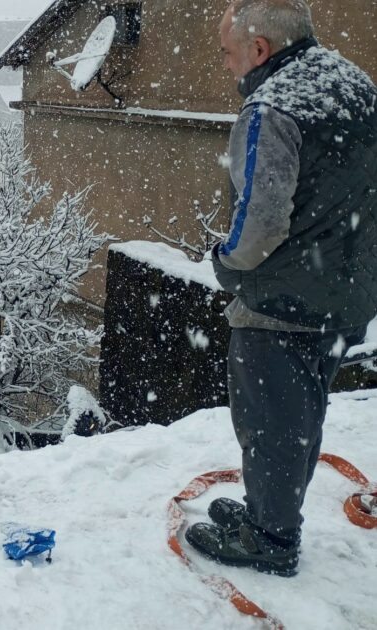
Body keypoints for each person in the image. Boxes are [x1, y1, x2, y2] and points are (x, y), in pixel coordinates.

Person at [185, 0, 377, 576]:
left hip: (283, 301)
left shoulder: (271, 107)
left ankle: (270, 538)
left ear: (260, 49)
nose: (226, 65)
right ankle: (267, 510)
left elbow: (260, 222)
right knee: (302, 414)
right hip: (347, 294)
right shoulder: (355, 84)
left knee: (272, 421)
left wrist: (226, 262)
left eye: (227, 52)